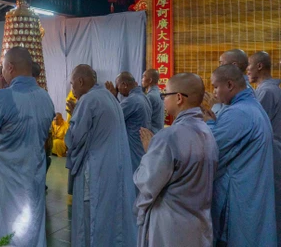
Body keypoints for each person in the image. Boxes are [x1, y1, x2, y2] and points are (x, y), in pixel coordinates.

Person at [0, 47, 54, 246]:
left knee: (4, 230)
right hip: (32, 176)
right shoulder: (45, 98)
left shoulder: (4, 97)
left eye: (3, 67)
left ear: (9, 67)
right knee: (30, 228)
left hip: (5, 181)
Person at [134, 73, 218, 247]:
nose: (163, 99)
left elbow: (147, 183)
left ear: (179, 98)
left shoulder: (169, 137)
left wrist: (150, 153)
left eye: (165, 95)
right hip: (200, 224)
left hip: (171, 227)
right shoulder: (208, 132)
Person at [66, 64, 136, 247]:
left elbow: (75, 139)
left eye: (72, 84)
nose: (72, 89)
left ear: (81, 81)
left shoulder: (88, 100)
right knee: (111, 217)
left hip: (96, 170)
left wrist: (73, 116)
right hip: (113, 168)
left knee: (92, 217)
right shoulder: (108, 96)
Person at [209, 64, 277, 247]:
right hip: (251, 188)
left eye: (216, 87)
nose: (214, 92)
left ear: (229, 85)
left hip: (240, 194)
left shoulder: (238, 113)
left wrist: (208, 122)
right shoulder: (251, 105)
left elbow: (211, 148)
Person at [247, 51, 281, 244]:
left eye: (249, 65)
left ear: (259, 66)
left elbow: (255, 125)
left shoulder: (266, 92)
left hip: (272, 152)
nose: (247, 70)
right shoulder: (267, 90)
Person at [115, 72, 152, 172]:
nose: (118, 91)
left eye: (118, 87)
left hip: (133, 147)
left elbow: (113, 117)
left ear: (124, 85)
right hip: (141, 145)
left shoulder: (132, 100)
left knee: (133, 175)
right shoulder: (143, 97)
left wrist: (112, 97)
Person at [211, 49, 251, 119]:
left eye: (221, 63)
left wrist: (217, 104)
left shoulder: (243, 89)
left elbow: (228, 118)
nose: (219, 67)